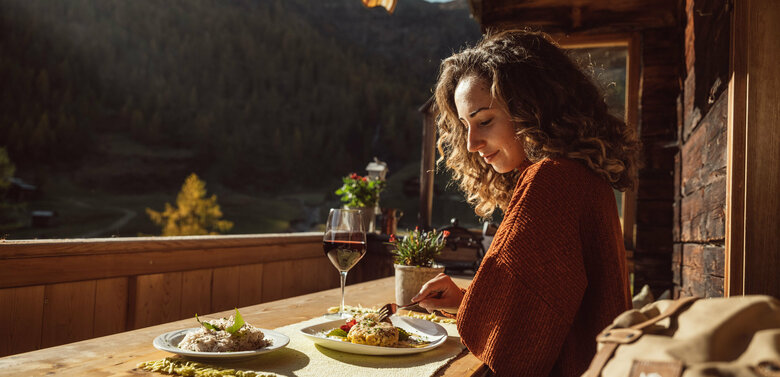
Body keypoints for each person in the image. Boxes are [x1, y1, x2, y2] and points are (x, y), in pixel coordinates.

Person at [412, 29, 642, 376]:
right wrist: (465, 302)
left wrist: (473, 312)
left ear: (534, 110)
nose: (472, 143)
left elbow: (514, 346)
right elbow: (546, 305)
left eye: (484, 121)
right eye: (464, 126)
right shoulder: (583, 178)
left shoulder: (552, 181)